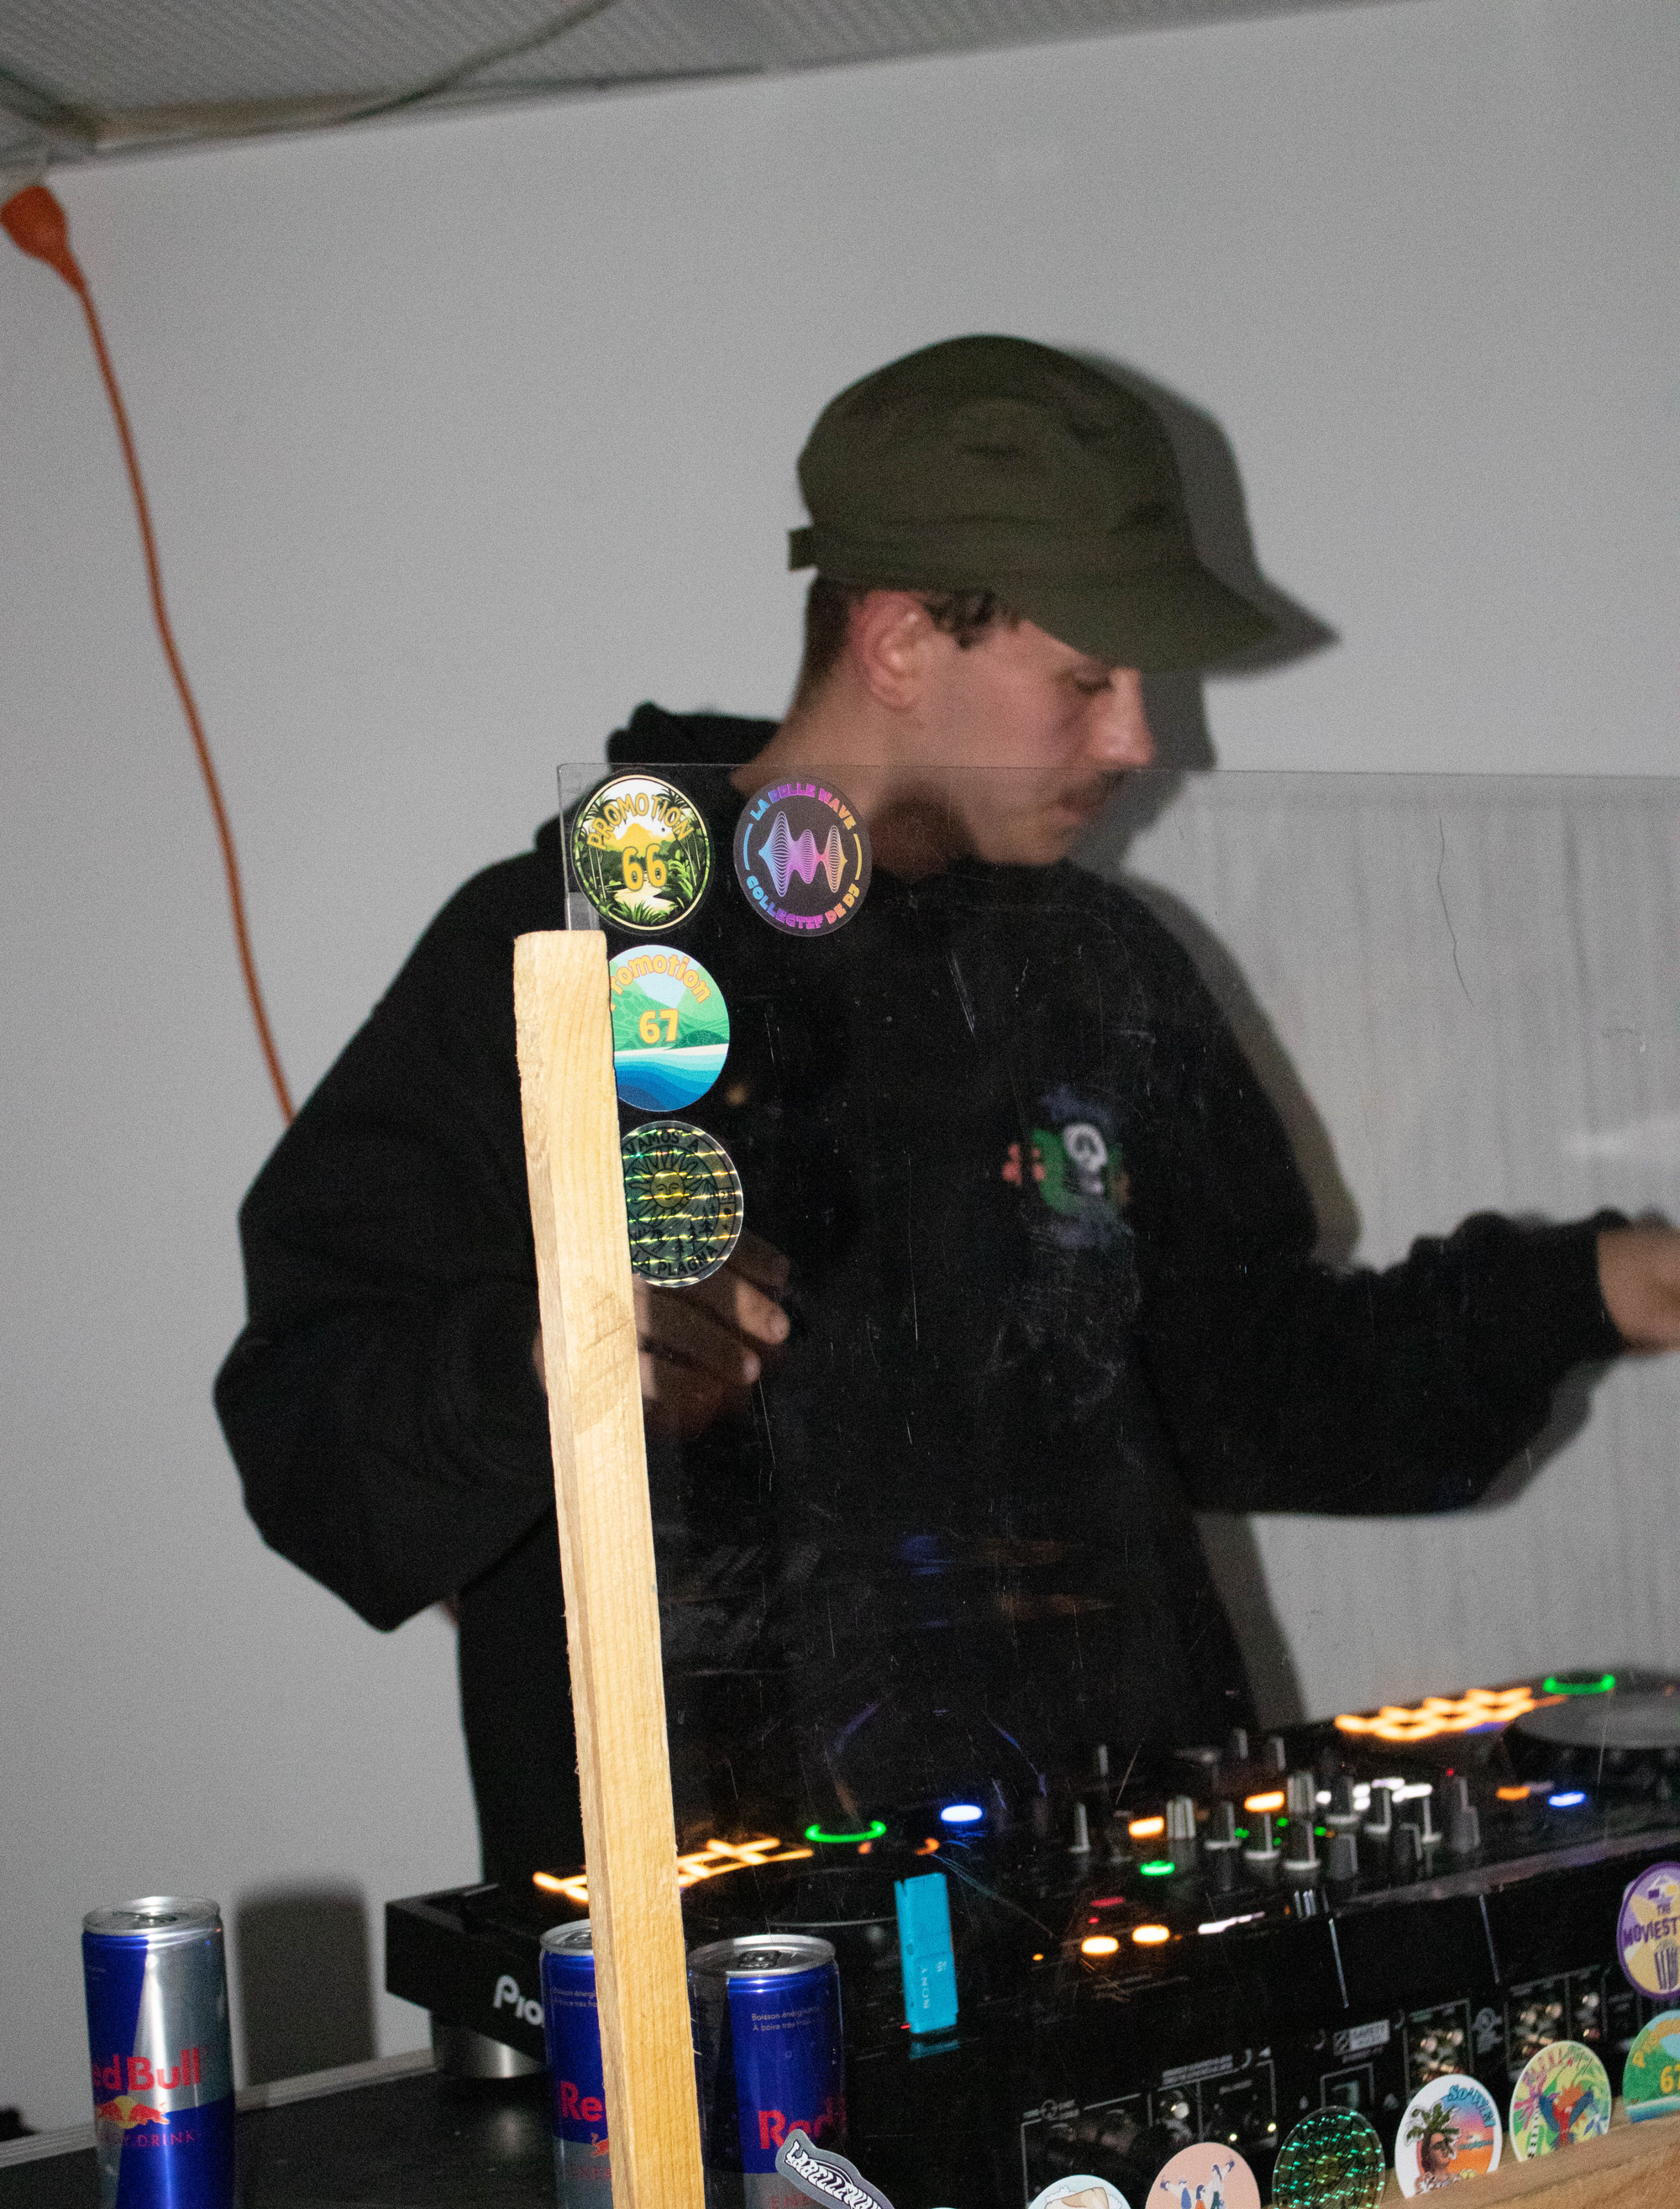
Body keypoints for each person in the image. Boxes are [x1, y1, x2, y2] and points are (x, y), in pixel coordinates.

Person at [214, 336, 1680, 1886]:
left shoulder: (1100, 968)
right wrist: (547, 1361)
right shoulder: (573, 955)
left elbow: (1246, 1386)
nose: (1140, 740)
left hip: (1110, 1906)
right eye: (1089, 681)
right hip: (726, 1955)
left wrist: (1587, 1289)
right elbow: (308, 1444)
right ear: (902, 642)